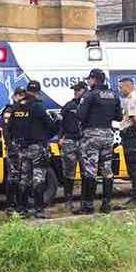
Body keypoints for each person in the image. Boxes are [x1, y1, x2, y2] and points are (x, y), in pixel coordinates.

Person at [75, 69, 122, 214]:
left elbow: (80, 115)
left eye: (90, 79)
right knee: (107, 170)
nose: (89, 82)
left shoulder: (90, 95)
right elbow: (119, 117)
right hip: (108, 134)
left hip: (92, 135)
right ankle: (106, 204)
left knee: (90, 170)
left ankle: (88, 206)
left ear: (94, 80)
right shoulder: (113, 94)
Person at [8, 81, 57, 219]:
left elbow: (10, 128)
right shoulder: (38, 107)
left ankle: (22, 209)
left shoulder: (17, 107)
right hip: (37, 147)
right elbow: (51, 127)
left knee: (24, 178)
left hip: (22, 148)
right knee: (38, 178)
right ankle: (39, 210)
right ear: (38, 93)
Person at [118, 77, 136, 206]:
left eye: (121, 87)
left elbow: (135, 118)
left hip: (132, 135)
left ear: (128, 86)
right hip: (133, 135)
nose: (120, 90)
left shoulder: (132, 100)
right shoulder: (135, 98)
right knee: (133, 166)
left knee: (133, 167)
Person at [58, 81, 87, 212]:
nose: (75, 92)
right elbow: (60, 123)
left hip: (85, 141)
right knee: (68, 173)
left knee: (86, 172)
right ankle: (68, 201)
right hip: (69, 141)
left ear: (84, 90)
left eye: (78, 90)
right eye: (74, 90)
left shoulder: (89, 104)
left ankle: (85, 201)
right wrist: (60, 138)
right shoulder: (69, 106)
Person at [2, 87, 27, 215]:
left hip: (24, 147)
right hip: (14, 147)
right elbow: (6, 130)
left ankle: (21, 206)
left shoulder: (25, 110)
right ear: (14, 96)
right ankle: (11, 206)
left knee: (23, 177)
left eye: (23, 95)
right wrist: (10, 145)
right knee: (13, 177)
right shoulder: (9, 111)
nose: (21, 98)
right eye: (19, 95)